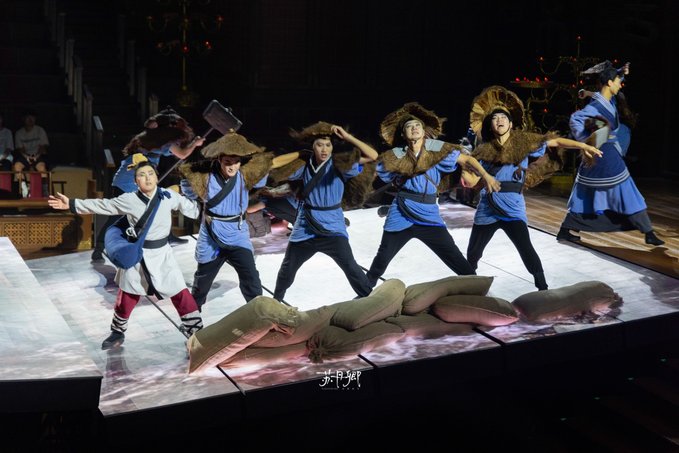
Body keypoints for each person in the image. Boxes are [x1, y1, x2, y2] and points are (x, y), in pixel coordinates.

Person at [48, 158, 204, 350]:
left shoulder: (168, 196)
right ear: (136, 181)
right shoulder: (129, 199)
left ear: (156, 177)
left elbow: (192, 209)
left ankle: (197, 331)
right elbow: (103, 205)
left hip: (163, 255)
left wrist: (204, 201)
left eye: (150, 174)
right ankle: (117, 331)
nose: (147, 178)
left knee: (179, 291)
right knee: (128, 293)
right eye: (142, 175)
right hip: (137, 253)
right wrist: (72, 204)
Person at [461, 86, 602, 291]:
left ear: (511, 123)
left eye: (503, 117)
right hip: (487, 207)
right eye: (495, 118)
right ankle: (467, 284)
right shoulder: (483, 150)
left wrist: (584, 146)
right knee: (473, 252)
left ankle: (542, 287)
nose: (499, 120)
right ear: (490, 124)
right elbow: (472, 181)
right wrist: (465, 170)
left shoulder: (525, 143)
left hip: (512, 207)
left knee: (525, 248)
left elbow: (555, 141)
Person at [364, 103, 500, 287]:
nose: (414, 128)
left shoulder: (435, 148)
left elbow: (466, 159)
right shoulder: (397, 154)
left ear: (424, 131)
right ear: (403, 134)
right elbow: (378, 167)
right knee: (383, 255)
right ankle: (365, 289)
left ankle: (475, 283)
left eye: (417, 125)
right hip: (401, 212)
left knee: (451, 253)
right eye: (409, 126)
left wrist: (487, 176)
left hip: (428, 214)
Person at [180, 132, 300, 309]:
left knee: (251, 277)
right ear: (219, 159)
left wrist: (299, 154)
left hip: (237, 234)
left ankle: (260, 313)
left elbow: (270, 164)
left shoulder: (245, 175)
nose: (232, 166)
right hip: (212, 234)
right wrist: (188, 177)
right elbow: (189, 190)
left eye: (236, 162)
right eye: (228, 161)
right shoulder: (206, 177)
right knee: (202, 281)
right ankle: (192, 315)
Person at [557, 62, 664, 246]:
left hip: (605, 153)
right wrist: (590, 138)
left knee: (587, 195)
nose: (620, 85)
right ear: (609, 83)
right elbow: (576, 119)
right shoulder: (595, 107)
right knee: (627, 190)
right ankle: (648, 231)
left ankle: (565, 229)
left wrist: (621, 72)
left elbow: (606, 89)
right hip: (603, 155)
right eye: (617, 82)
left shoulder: (607, 101)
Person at [272, 121, 378, 302]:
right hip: (305, 226)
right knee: (287, 269)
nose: (324, 149)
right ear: (312, 147)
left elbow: (373, 155)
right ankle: (275, 302)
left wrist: (348, 137)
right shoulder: (304, 166)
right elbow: (274, 163)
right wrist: (301, 153)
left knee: (350, 266)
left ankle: (371, 300)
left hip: (332, 226)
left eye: (328, 145)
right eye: (319, 145)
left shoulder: (340, 165)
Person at [90, 107, 205, 263]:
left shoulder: (151, 138)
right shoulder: (162, 142)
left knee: (158, 206)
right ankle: (99, 249)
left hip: (134, 179)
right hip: (128, 182)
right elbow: (183, 153)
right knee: (117, 217)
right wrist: (195, 143)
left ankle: (168, 236)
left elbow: (177, 150)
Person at [13, 111, 49, 197]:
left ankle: (45, 190)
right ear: (23, 119)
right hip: (25, 156)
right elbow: (20, 149)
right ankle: (24, 190)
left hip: (38, 155)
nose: (30, 120)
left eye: (32, 117)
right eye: (28, 117)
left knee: (42, 168)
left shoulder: (40, 130)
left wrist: (36, 156)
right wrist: (27, 157)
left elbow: (43, 147)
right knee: (17, 166)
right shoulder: (19, 133)